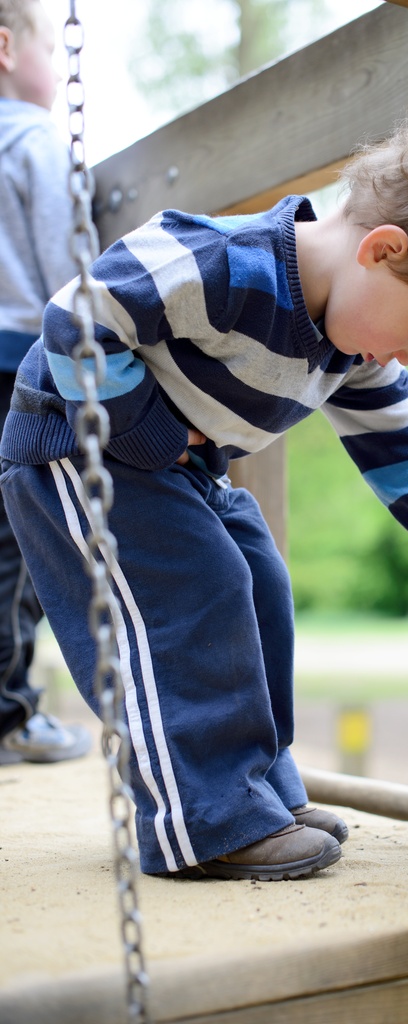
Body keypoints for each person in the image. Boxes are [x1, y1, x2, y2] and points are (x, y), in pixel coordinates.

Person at [0, 117, 408, 879]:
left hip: (179, 470)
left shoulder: (350, 349)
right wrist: (147, 428)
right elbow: (78, 318)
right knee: (193, 595)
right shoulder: (218, 261)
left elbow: (403, 441)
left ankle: (254, 793)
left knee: (259, 583)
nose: (407, 356)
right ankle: (203, 819)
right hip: (79, 450)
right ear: (381, 250)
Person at [0, 0, 91, 763]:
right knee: (18, 538)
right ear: (5, 47)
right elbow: (67, 274)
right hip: (17, 365)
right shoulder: (33, 140)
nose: (60, 73)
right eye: (51, 52)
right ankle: (8, 713)